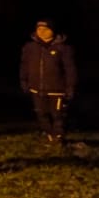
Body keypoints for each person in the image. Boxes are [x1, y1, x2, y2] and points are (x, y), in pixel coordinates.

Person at [20, 20, 78, 150]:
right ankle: (49, 135)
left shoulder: (63, 48)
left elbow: (70, 69)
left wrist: (70, 86)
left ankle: (59, 137)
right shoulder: (30, 47)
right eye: (39, 29)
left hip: (56, 89)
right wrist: (24, 80)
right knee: (41, 113)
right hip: (36, 88)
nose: (42, 32)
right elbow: (24, 65)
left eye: (45, 29)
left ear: (53, 30)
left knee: (57, 114)